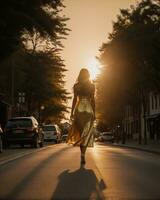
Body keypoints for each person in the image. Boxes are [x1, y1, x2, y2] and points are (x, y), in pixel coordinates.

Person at [67, 68, 95, 165]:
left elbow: (74, 99)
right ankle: (83, 154)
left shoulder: (76, 86)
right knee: (86, 134)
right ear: (88, 75)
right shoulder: (92, 86)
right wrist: (94, 112)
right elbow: (93, 100)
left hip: (79, 109)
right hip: (88, 109)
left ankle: (82, 154)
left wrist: (71, 113)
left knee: (80, 133)